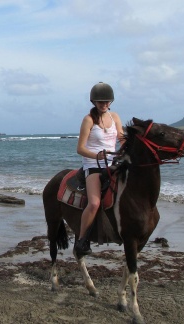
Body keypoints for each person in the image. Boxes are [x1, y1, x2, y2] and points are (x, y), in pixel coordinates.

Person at [75, 82, 124, 256]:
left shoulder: (115, 117)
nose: (104, 105)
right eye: (101, 102)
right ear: (94, 102)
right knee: (94, 203)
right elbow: (80, 148)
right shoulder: (88, 120)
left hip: (112, 164)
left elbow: (121, 138)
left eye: (107, 102)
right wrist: (96, 156)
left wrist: (127, 149)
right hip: (93, 165)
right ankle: (82, 240)